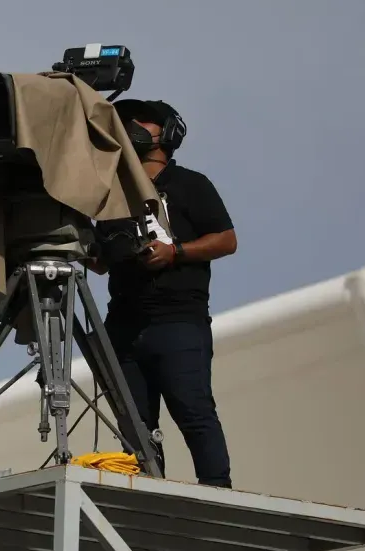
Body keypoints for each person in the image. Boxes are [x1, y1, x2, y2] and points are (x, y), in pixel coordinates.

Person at [88, 98, 238, 489]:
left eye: (142, 121)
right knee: (134, 425)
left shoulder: (190, 183)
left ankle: (216, 493)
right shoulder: (112, 194)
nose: (131, 127)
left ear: (165, 132)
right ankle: (150, 497)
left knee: (193, 410)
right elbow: (101, 261)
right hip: (123, 323)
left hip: (178, 320)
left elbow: (226, 239)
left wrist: (176, 252)